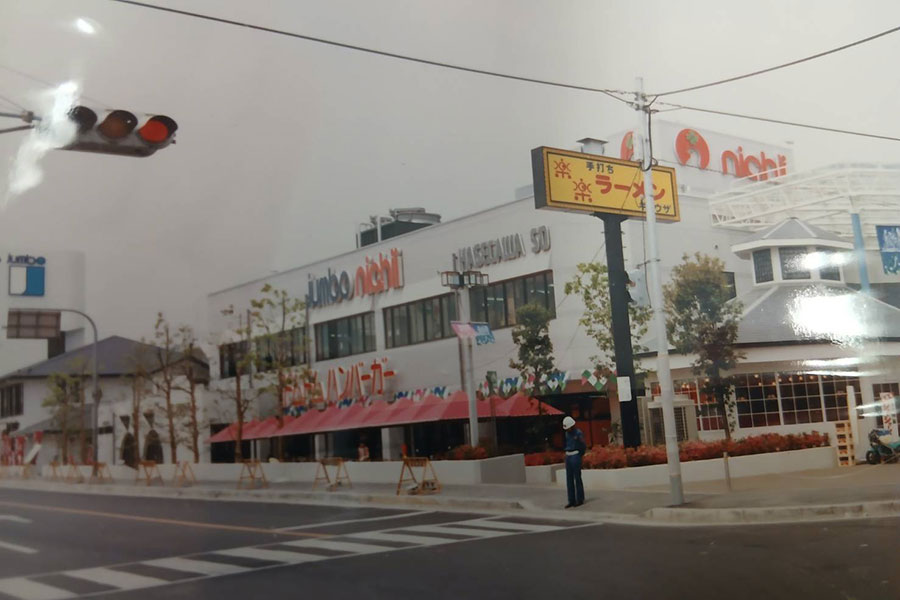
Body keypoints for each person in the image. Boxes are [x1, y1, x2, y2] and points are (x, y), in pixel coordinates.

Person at [562, 416, 585, 508]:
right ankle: (571, 500)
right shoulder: (567, 434)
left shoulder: (578, 433)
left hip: (575, 454)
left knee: (577, 478)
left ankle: (580, 499)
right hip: (568, 455)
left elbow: (582, 445)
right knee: (569, 479)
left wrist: (580, 454)